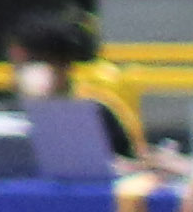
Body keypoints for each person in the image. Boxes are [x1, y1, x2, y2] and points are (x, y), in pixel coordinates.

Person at [8, 9, 138, 158]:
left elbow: (127, 163)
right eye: (17, 66)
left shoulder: (97, 112)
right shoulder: (13, 117)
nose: (21, 74)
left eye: (31, 63)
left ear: (64, 66)